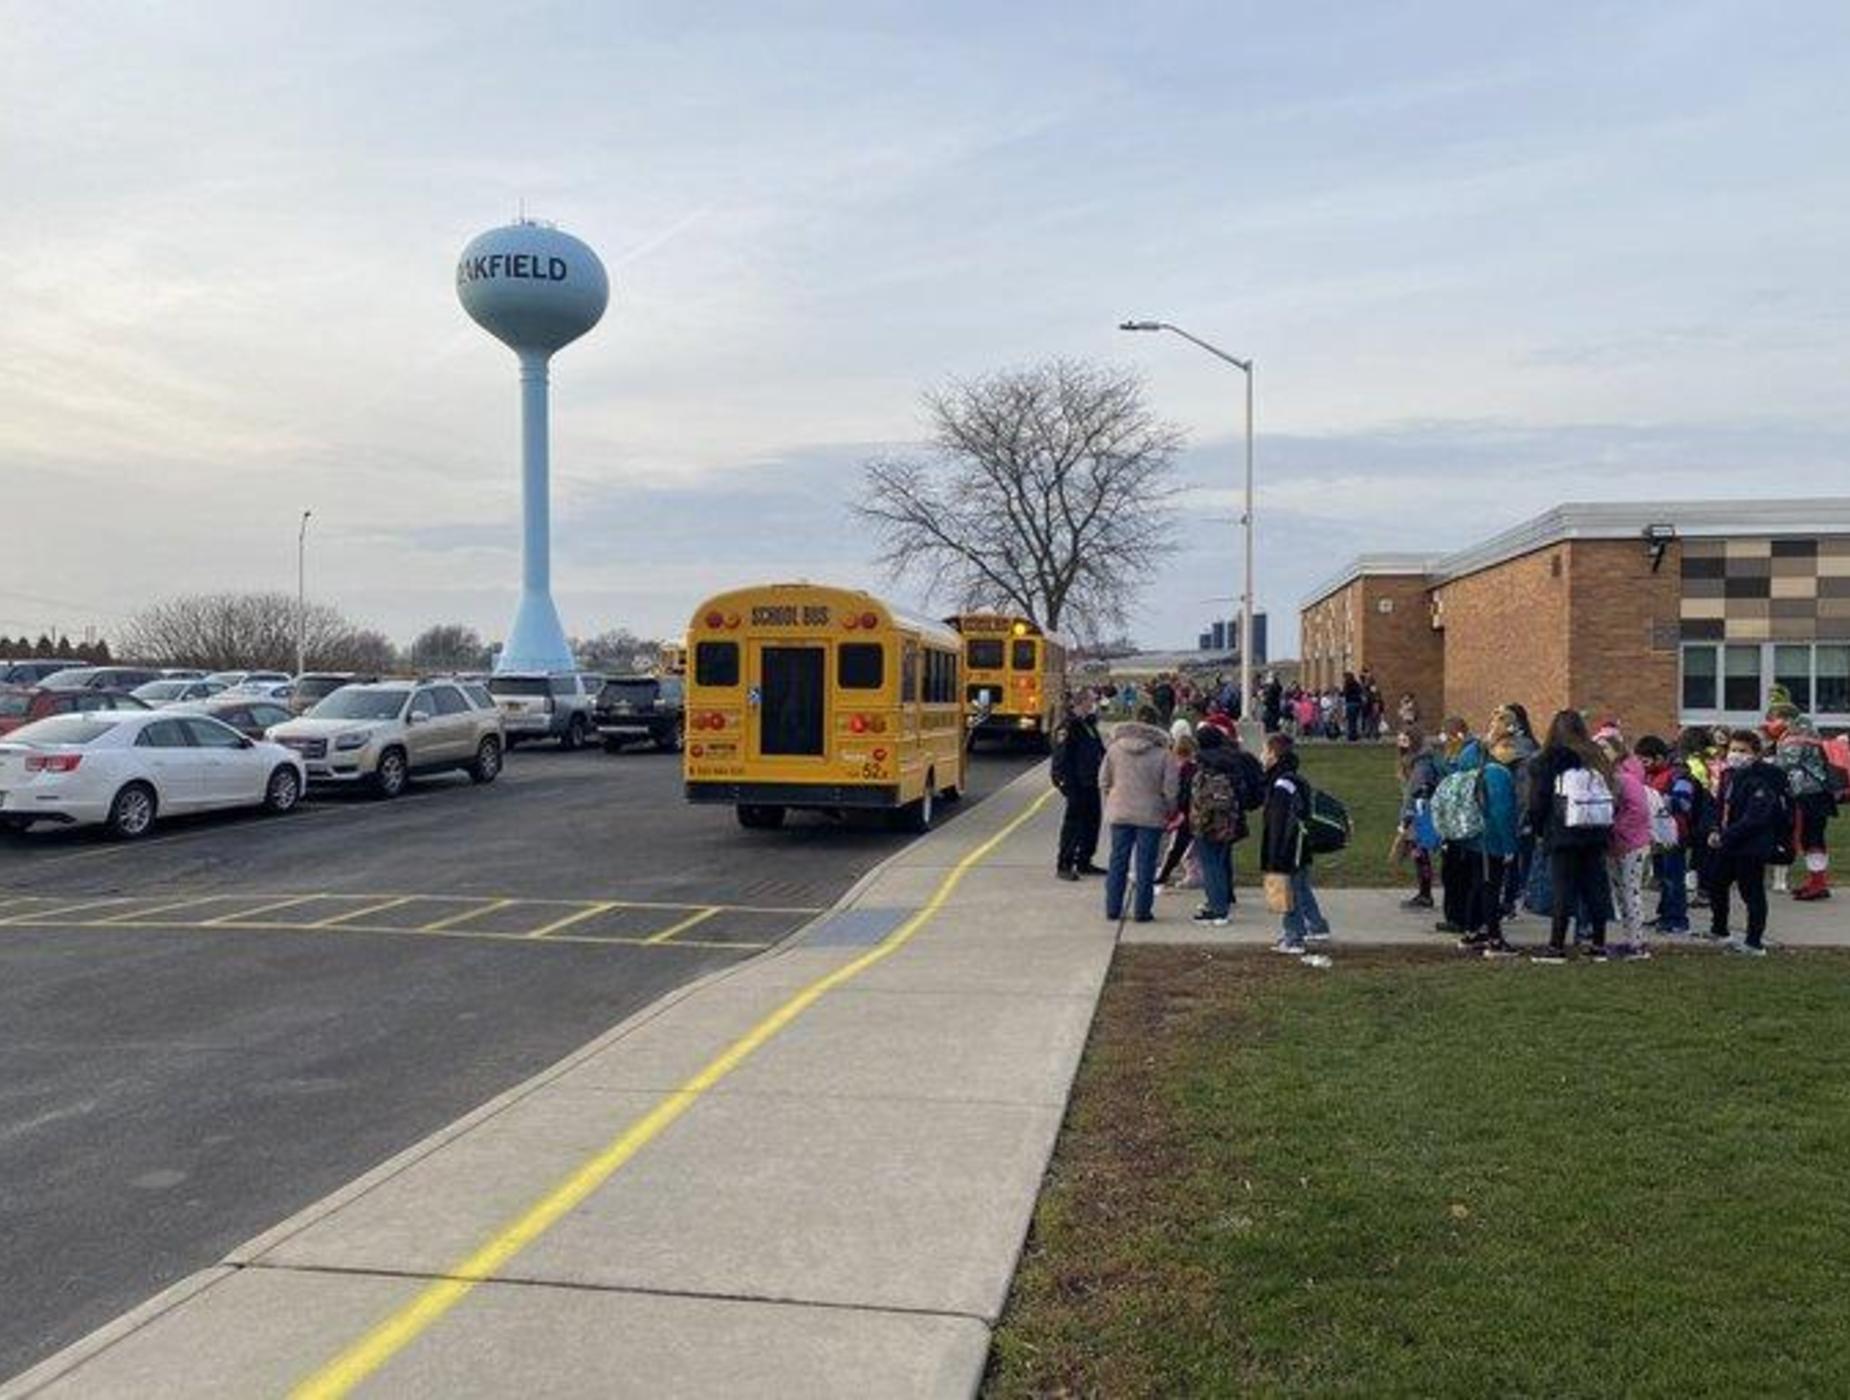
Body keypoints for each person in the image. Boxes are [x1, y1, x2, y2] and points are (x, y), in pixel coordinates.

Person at [1527, 710, 1615, 962]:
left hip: (1563, 832)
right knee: (1596, 888)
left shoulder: (1550, 759)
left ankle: (1556, 946)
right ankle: (1599, 944)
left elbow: (1538, 801)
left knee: (1563, 890)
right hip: (1596, 830)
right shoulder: (1595, 756)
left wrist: (1538, 828)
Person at [1707, 728, 1789, 955]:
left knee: (1751, 892)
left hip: (1750, 845)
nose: (1736, 754)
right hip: (1728, 842)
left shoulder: (1761, 780)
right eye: (1733, 749)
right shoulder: (1729, 775)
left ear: (1755, 754)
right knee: (1717, 884)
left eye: (1742, 751)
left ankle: (1754, 942)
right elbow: (1722, 805)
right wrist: (1716, 829)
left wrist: (1726, 834)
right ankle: (1720, 929)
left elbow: (1755, 818)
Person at [1098, 706, 1179, 924]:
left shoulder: (1115, 750)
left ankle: (1112, 908)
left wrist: (1114, 799)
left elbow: (1104, 780)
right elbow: (1171, 789)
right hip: (1151, 813)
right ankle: (1143, 911)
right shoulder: (1164, 754)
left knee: (1118, 861)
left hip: (1120, 812)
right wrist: (1170, 810)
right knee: (1146, 864)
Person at [1259, 732, 1329, 954]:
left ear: (1274, 754)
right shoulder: (1293, 778)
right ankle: (1317, 926)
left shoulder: (1281, 784)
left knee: (1286, 893)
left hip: (1287, 848)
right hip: (1300, 844)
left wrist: (1274, 855)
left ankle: (1293, 937)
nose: (1262, 755)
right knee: (1301, 887)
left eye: (1265, 750)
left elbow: (1279, 822)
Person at [1456, 736, 1520, 956]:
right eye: (1506, 746)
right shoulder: (1498, 774)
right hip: (1492, 841)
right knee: (1491, 888)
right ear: (1492, 749)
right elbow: (1502, 812)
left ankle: (1472, 932)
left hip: (1474, 838)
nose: (1512, 750)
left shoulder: (1474, 769)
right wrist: (1509, 846)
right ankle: (1495, 939)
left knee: (1477, 885)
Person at [1597, 732, 1654, 959]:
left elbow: (1638, 811)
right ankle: (1630, 939)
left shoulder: (1626, 779)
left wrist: (1616, 830)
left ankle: (1637, 943)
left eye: (1605, 748)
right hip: (1617, 844)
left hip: (1631, 844)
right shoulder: (1611, 777)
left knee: (1631, 892)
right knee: (1621, 894)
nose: (1600, 752)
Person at [1636, 733, 1698, 936]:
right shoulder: (1649, 776)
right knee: (1662, 878)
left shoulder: (1679, 775)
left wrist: (1655, 800)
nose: (1642, 765)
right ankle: (1665, 914)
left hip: (1674, 834)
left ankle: (1678, 919)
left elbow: (1684, 803)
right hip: (1656, 835)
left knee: (1674, 878)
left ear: (1660, 758)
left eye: (1645, 761)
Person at [1771, 711, 1836, 901]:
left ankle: (1818, 884)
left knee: (1811, 839)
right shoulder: (1810, 733)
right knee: (1814, 838)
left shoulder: (1795, 738)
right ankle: (1817, 880)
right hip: (1818, 792)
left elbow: (1786, 764)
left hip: (1807, 793)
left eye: (1775, 718)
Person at [1188, 725, 1247, 925]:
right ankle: (1220, 901)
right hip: (1228, 819)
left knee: (1210, 864)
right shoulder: (1233, 761)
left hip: (1207, 820)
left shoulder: (1204, 765)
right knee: (1220, 863)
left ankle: (1217, 908)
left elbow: (1196, 793)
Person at [1487, 703, 1538, 918]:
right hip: (1503, 808)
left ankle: (1509, 900)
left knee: (1513, 858)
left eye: (1498, 719)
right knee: (1508, 858)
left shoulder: (1518, 749)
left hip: (1514, 809)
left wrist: (1525, 816)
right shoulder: (1504, 747)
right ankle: (1507, 899)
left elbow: (1524, 786)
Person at [1051, 690, 1106, 881]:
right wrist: (1061, 780)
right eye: (1091, 701)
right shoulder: (1069, 726)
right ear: (1081, 702)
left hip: (1091, 781)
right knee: (1073, 824)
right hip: (1076, 782)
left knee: (1092, 822)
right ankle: (1064, 864)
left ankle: (1084, 859)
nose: (1094, 704)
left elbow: (1099, 751)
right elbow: (1061, 755)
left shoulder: (1088, 725)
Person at [1434, 716, 1482, 935]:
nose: (1442, 736)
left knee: (1455, 875)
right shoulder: (1464, 751)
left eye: (1444, 732)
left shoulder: (1463, 755)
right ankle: (1463, 916)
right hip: (1463, 823)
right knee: (1460, 874)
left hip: (1458, 824)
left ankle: (1457, 917)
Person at [1395, 726, 1443, 909]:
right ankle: (1424, 893)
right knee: (1419, 854)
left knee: (1420, 853)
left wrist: (1405, 819)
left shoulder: (1421, 763)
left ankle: (1425, 895)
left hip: (1421, 813)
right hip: (1418, 811)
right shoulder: (1413, 760)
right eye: (1400, 741)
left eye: (1405, 741)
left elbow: (1414, 792)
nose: (1402, 745)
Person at [1155, 728, 1198, 889]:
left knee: (1176, 848)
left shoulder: (1176, 768)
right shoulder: (1194, 768)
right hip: (1194, 812)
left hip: (1183, 814)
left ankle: (1163, 875)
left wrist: (1174, 810)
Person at [1341, 671, 1364, 742]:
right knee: (1355, 720)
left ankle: (1351, 736)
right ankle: (1355, 735)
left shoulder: (1347, 685)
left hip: (1350, 704)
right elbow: (1360, 692)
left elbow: (1345, 693)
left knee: (1351, 721)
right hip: (1357, 704)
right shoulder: (1357, 684)